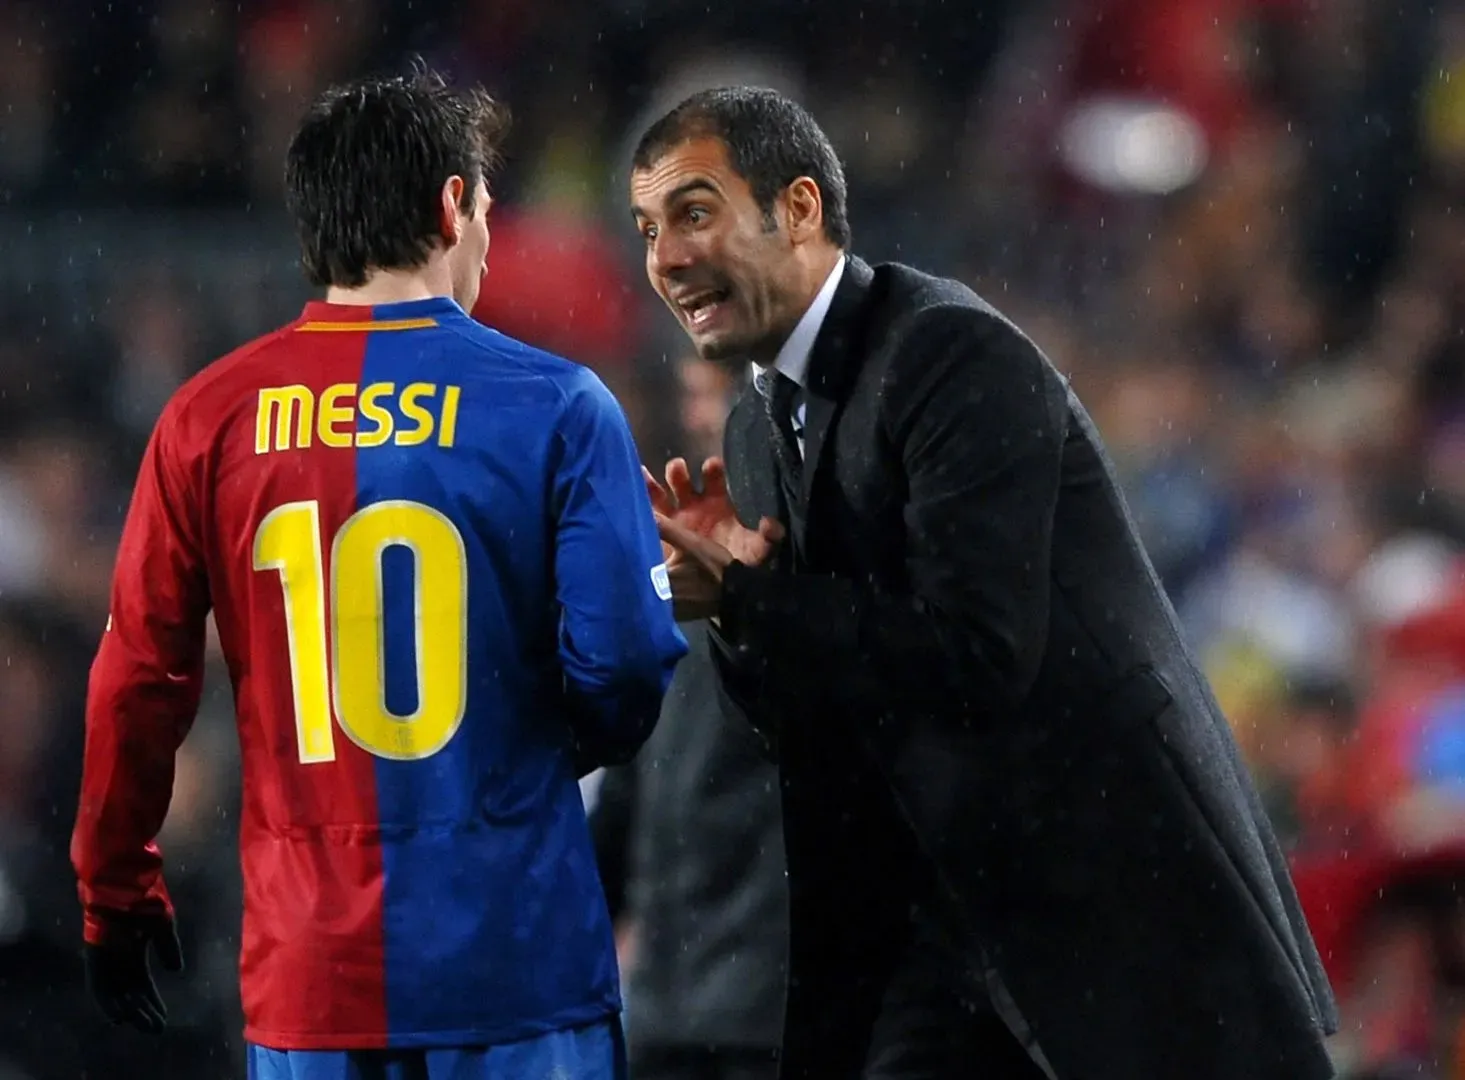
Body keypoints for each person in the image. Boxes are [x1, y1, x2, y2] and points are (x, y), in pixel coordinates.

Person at [629, 86, 1338, 1080]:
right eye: (647, 227)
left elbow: (977, 654)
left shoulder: (950, 354)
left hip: (1113, 915)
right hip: (947, 928)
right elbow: (812, 718)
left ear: (794, 210)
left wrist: (758, 602)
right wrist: (733, 615)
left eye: (692, 213)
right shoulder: (755, 427)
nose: (663, 257)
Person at [70, 69, 687, 1080]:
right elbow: (620, 676)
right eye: (486, 205)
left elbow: (139, 683)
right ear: (453, 207)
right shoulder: (559, 408)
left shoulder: (207, 420)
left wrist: (115, 888)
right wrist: (531, 741)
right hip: (514, 963)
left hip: (311, 976)